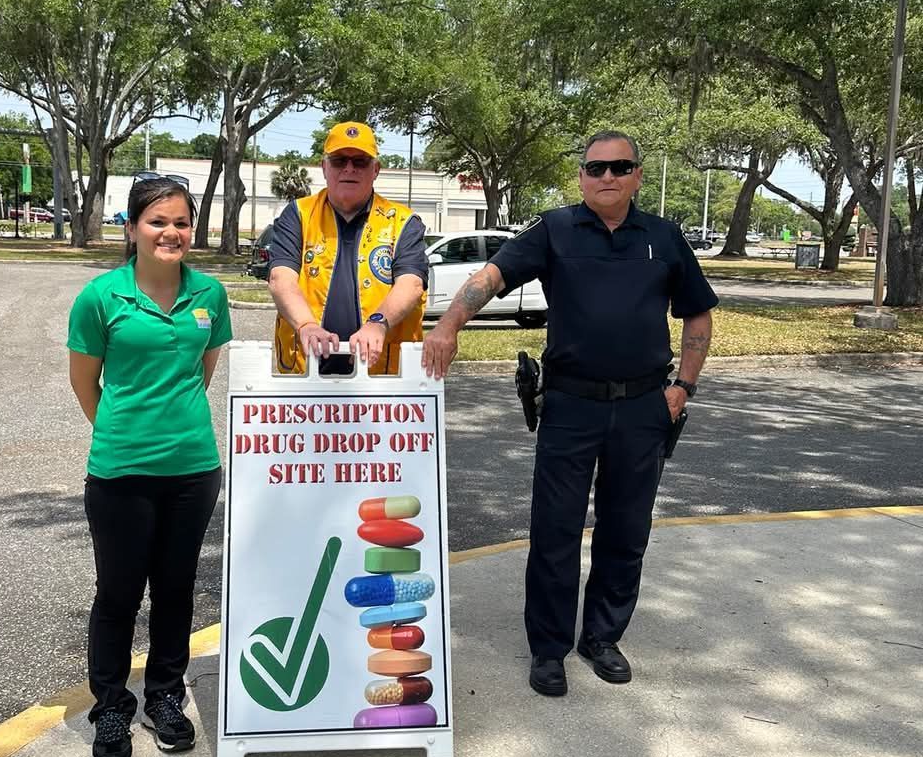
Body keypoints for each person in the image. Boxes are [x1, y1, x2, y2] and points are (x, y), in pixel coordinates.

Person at [423, 130, 718, 697]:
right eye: (595, 168)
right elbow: (492, 276)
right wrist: (448, 324)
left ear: (636, 174)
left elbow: (698, 315)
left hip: (643, 406)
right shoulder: (556, 230)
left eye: (620, 167)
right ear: (581, 176)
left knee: (626, 529)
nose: (607, 177)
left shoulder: (663, 237)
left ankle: (603, 638)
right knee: (555, 531)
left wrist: (683, 386)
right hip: (569, 406)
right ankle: (549, 649)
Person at [67, 176, 232, 757]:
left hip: (193, 469)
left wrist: (172, 428)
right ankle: (110, 703)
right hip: (120, 471)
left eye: (182, 222)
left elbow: (202, 372)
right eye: (158, 221)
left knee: (175, 588)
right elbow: (86, 382)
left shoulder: (210, 295)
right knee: (117, 592)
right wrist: (123, 431)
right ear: (132, 227)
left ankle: (164, 695)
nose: (171, 232)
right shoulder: (100, 297)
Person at [268, 121, 428, 375]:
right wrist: (306, 325)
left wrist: (377, 325)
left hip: (380, 376)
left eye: (360, 161)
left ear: (375, 169)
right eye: (339, 160)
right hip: (306, 371)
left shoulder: (402, 222)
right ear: (324, 167)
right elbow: (281, 279)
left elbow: (411, 284)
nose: (349, 169)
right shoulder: (298, 214)